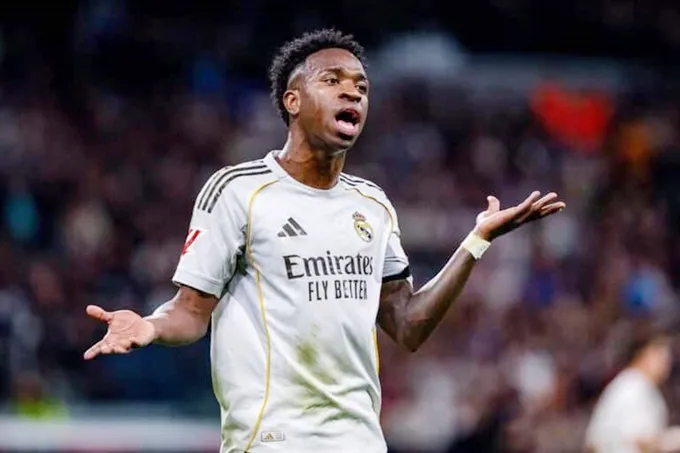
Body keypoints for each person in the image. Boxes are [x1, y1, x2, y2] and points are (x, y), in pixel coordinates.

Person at [83, 29, 566, 453]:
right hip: (273, 441)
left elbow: (407, 325)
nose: (352, 92)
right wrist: (149, 326)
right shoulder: (238, 191)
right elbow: (191, 312)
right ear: (292, 101)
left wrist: (476, 241)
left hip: (360, 442)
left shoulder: (372, 205)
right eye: (332, 81)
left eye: (361, 86)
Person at [585, 325, 680, 453]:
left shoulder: (632, 384)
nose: (667, 362)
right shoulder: (633, 388)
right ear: (644, 354)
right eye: (661, 355)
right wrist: (674, 439)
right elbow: (642, 442)